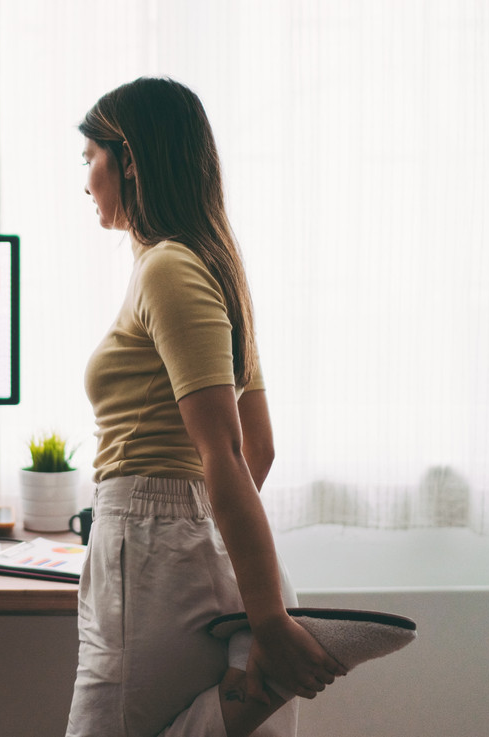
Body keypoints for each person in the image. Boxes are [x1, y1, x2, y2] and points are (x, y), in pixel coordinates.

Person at [67, 76, 347, 737]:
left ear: (128, 158)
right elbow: (261, 447)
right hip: (176, 543)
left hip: (153, 548)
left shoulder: (169, 268)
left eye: (89, 158)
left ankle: (265, 664)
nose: (84, 180)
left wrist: (269, 615)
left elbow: (225, 450)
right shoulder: (207, 264)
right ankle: (255, 682)